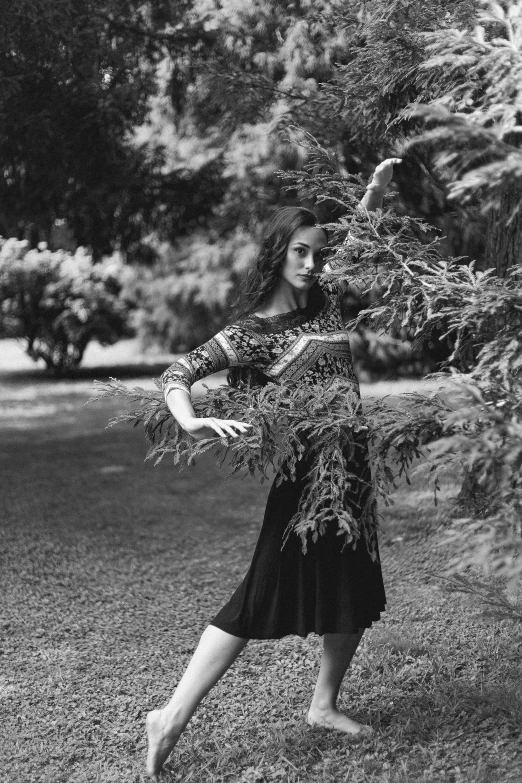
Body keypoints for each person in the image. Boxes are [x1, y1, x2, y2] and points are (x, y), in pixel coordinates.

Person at [146, 158, 402, 779]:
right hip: (306, 479)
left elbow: (356, 238)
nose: (312, 264)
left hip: (351, 470)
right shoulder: (254, 333)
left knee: (353, 587)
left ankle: (324, 705)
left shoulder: (329, 302)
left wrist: (370, 194)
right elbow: (177, 374)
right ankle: (171, 714)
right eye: (300, 253)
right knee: (257, 598)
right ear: (277, 254)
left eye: (318, 253)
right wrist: (190, 419)